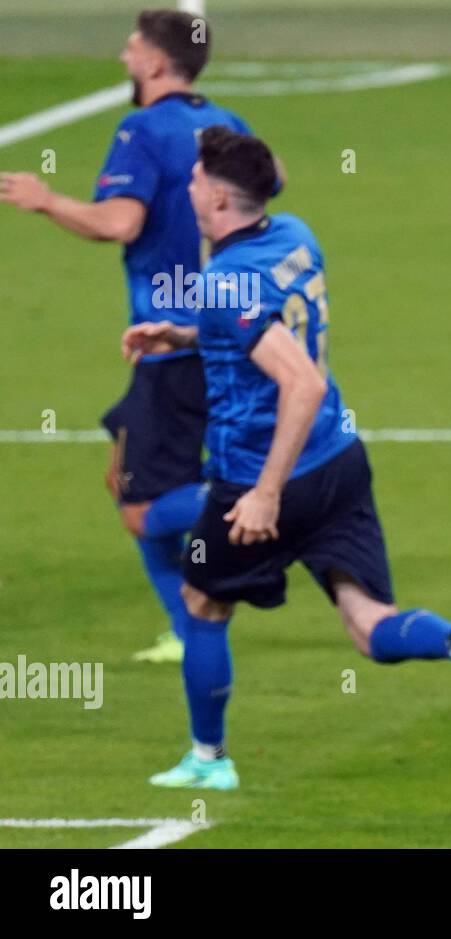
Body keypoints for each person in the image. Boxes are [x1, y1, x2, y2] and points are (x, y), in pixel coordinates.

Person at [120, 127, 451, 790]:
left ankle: (209, 759)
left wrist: (264, 494)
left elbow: (301, 383)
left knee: (202, 603)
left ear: (222, 199)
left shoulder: (225, 280)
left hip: (260, 473)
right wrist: (179, 334)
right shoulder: (294, 233)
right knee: (368, 624)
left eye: (197, 180)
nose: (189, 188)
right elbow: (262, 330)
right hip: (339, 460)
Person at [0, 9, 253, 664]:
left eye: (133, 47)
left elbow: (119, 222)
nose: (123, 56)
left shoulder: (141, 130)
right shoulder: (226, 122)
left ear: (156, 62)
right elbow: (273, 178)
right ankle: (192, 623)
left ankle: (259, 501)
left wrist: (46, 200)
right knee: (133, 484)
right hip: (230, 334)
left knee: (141, 504)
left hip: (169, 344)